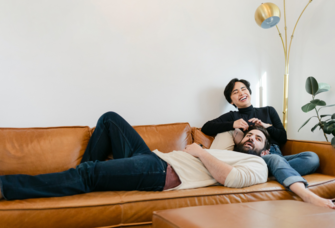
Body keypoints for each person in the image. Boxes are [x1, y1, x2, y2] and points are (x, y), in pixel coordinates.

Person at [0, 112, 269, 201]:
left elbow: (230, 179)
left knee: (90, 172)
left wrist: (199, 151)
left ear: (265, 150)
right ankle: (86, 178)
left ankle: (6, 187)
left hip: (163, 172)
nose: (250, 138)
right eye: (249, 135)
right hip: (156, 158)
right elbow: (221, 132)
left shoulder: (257, 164)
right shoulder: (228, 148)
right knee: (110, 120)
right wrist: (236, 132)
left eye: (257, 139)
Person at [201, 78, 335, 209]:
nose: (241, 93)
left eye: (243, 89)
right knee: (276, 159)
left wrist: (266, 126)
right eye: (235, 92)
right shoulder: (232, 116)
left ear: (249, 92)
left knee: (312, 158)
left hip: (276, 153)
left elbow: (282, 137)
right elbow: (206, 127)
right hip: (254, 157)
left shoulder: (268, 111)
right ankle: (305, 194)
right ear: (231, 101)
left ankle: (271, 173)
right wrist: (233, 124)